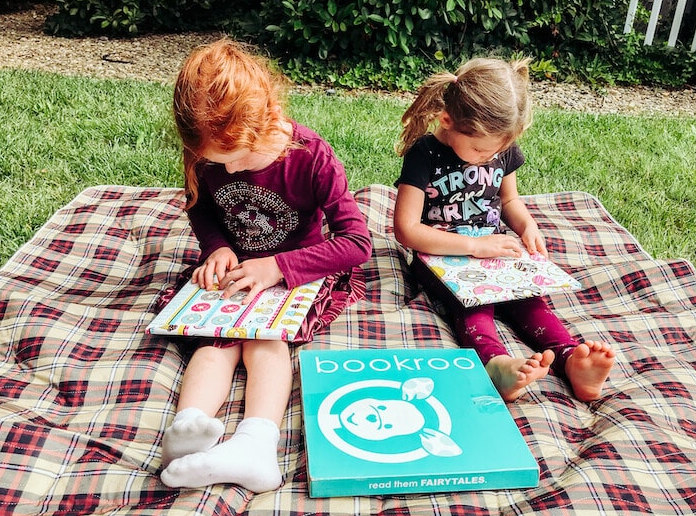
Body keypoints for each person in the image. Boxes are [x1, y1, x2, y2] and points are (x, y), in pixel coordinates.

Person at [159, 38, 372, 492]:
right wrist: (217, 246)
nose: (229, 172)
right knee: (215, 343)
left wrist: (277, 267)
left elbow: (357, 243)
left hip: (296, 274)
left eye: (237, 160)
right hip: (233, 277)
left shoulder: (311, 156)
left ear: (271, 119)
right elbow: (201, 209)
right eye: (219, 163)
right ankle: (189, 427)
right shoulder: (207, 146)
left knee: (262, 343)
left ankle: (254, 445)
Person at [393, 57, 615, 404]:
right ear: (447, 120)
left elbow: (509, 200)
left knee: (531, 304)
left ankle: (571, 359)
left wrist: (527, 225)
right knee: (475, 307)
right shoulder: (425, 154)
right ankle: (495, 366)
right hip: (441, 255)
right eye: (480, 149)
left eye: (495, 151)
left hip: (495, 249)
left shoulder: (501, 149)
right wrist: (473, 247)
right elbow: (406, 230)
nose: (487, 158)